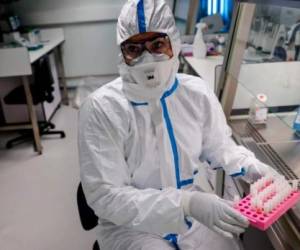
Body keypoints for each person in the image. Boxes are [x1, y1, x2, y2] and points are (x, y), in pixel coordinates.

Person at [78, 1, 278, 249]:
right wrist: (187, 203)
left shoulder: (196, 93)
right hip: (131, 227)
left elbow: (219, 146)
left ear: (173, 41)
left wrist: (253, 167)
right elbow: (106, 196)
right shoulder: (102, 108)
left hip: (193, 219)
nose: (147, 57)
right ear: (122, 53)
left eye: (157, 44)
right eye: (134, 48)